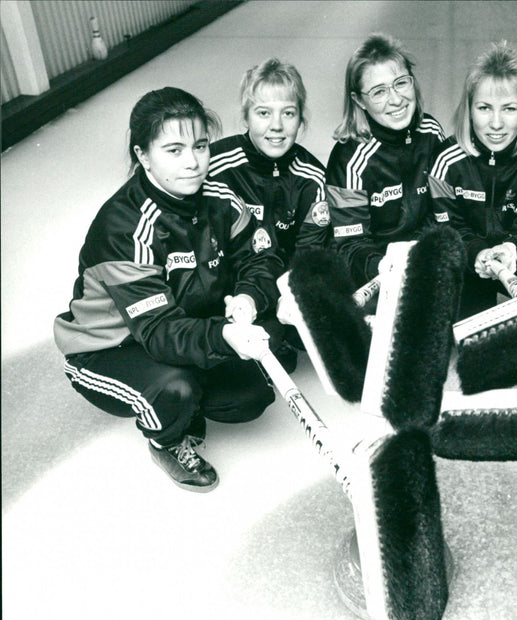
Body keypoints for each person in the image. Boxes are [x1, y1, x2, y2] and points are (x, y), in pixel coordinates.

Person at [53, 87, 286, 492]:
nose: (194, 163)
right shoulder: (126, 227)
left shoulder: (218, 195)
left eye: (200, 145)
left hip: (180, 325)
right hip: (109, 349)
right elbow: (159, 331)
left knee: (250, 394)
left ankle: (185, 400)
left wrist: (249, 295)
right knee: (175, 388)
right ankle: (166, 441)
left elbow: (261, 256)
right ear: (143, 156)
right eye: (174, 150)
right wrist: (222, 335)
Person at [427, 41, 517, 319]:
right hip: (470, 259)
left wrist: (512, 249)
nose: (497, 123)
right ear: (469, 109)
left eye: (509, 109)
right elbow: (449, 226)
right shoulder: (446, 160)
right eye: (485, 108)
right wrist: (475, 252)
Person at [209, 58, 330, 358]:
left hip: (281, 289)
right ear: (245, 117)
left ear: (301, 119)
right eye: (263, 113)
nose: (276, 126)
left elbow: (310, 253)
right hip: (230, 291)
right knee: (268, 342)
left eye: (288, 113)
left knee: (316, 332)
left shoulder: (311, 178)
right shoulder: (215, 166)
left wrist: (294, 292)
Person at [326, 33, 445, 289]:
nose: (396, 99)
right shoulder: (349, 160)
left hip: (424, 262)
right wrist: (384, 268)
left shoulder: (431, 132)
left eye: (401, 83)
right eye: (379, 91)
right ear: (359, 101)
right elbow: (350, 245)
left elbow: (443, 213)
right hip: (375, 272)